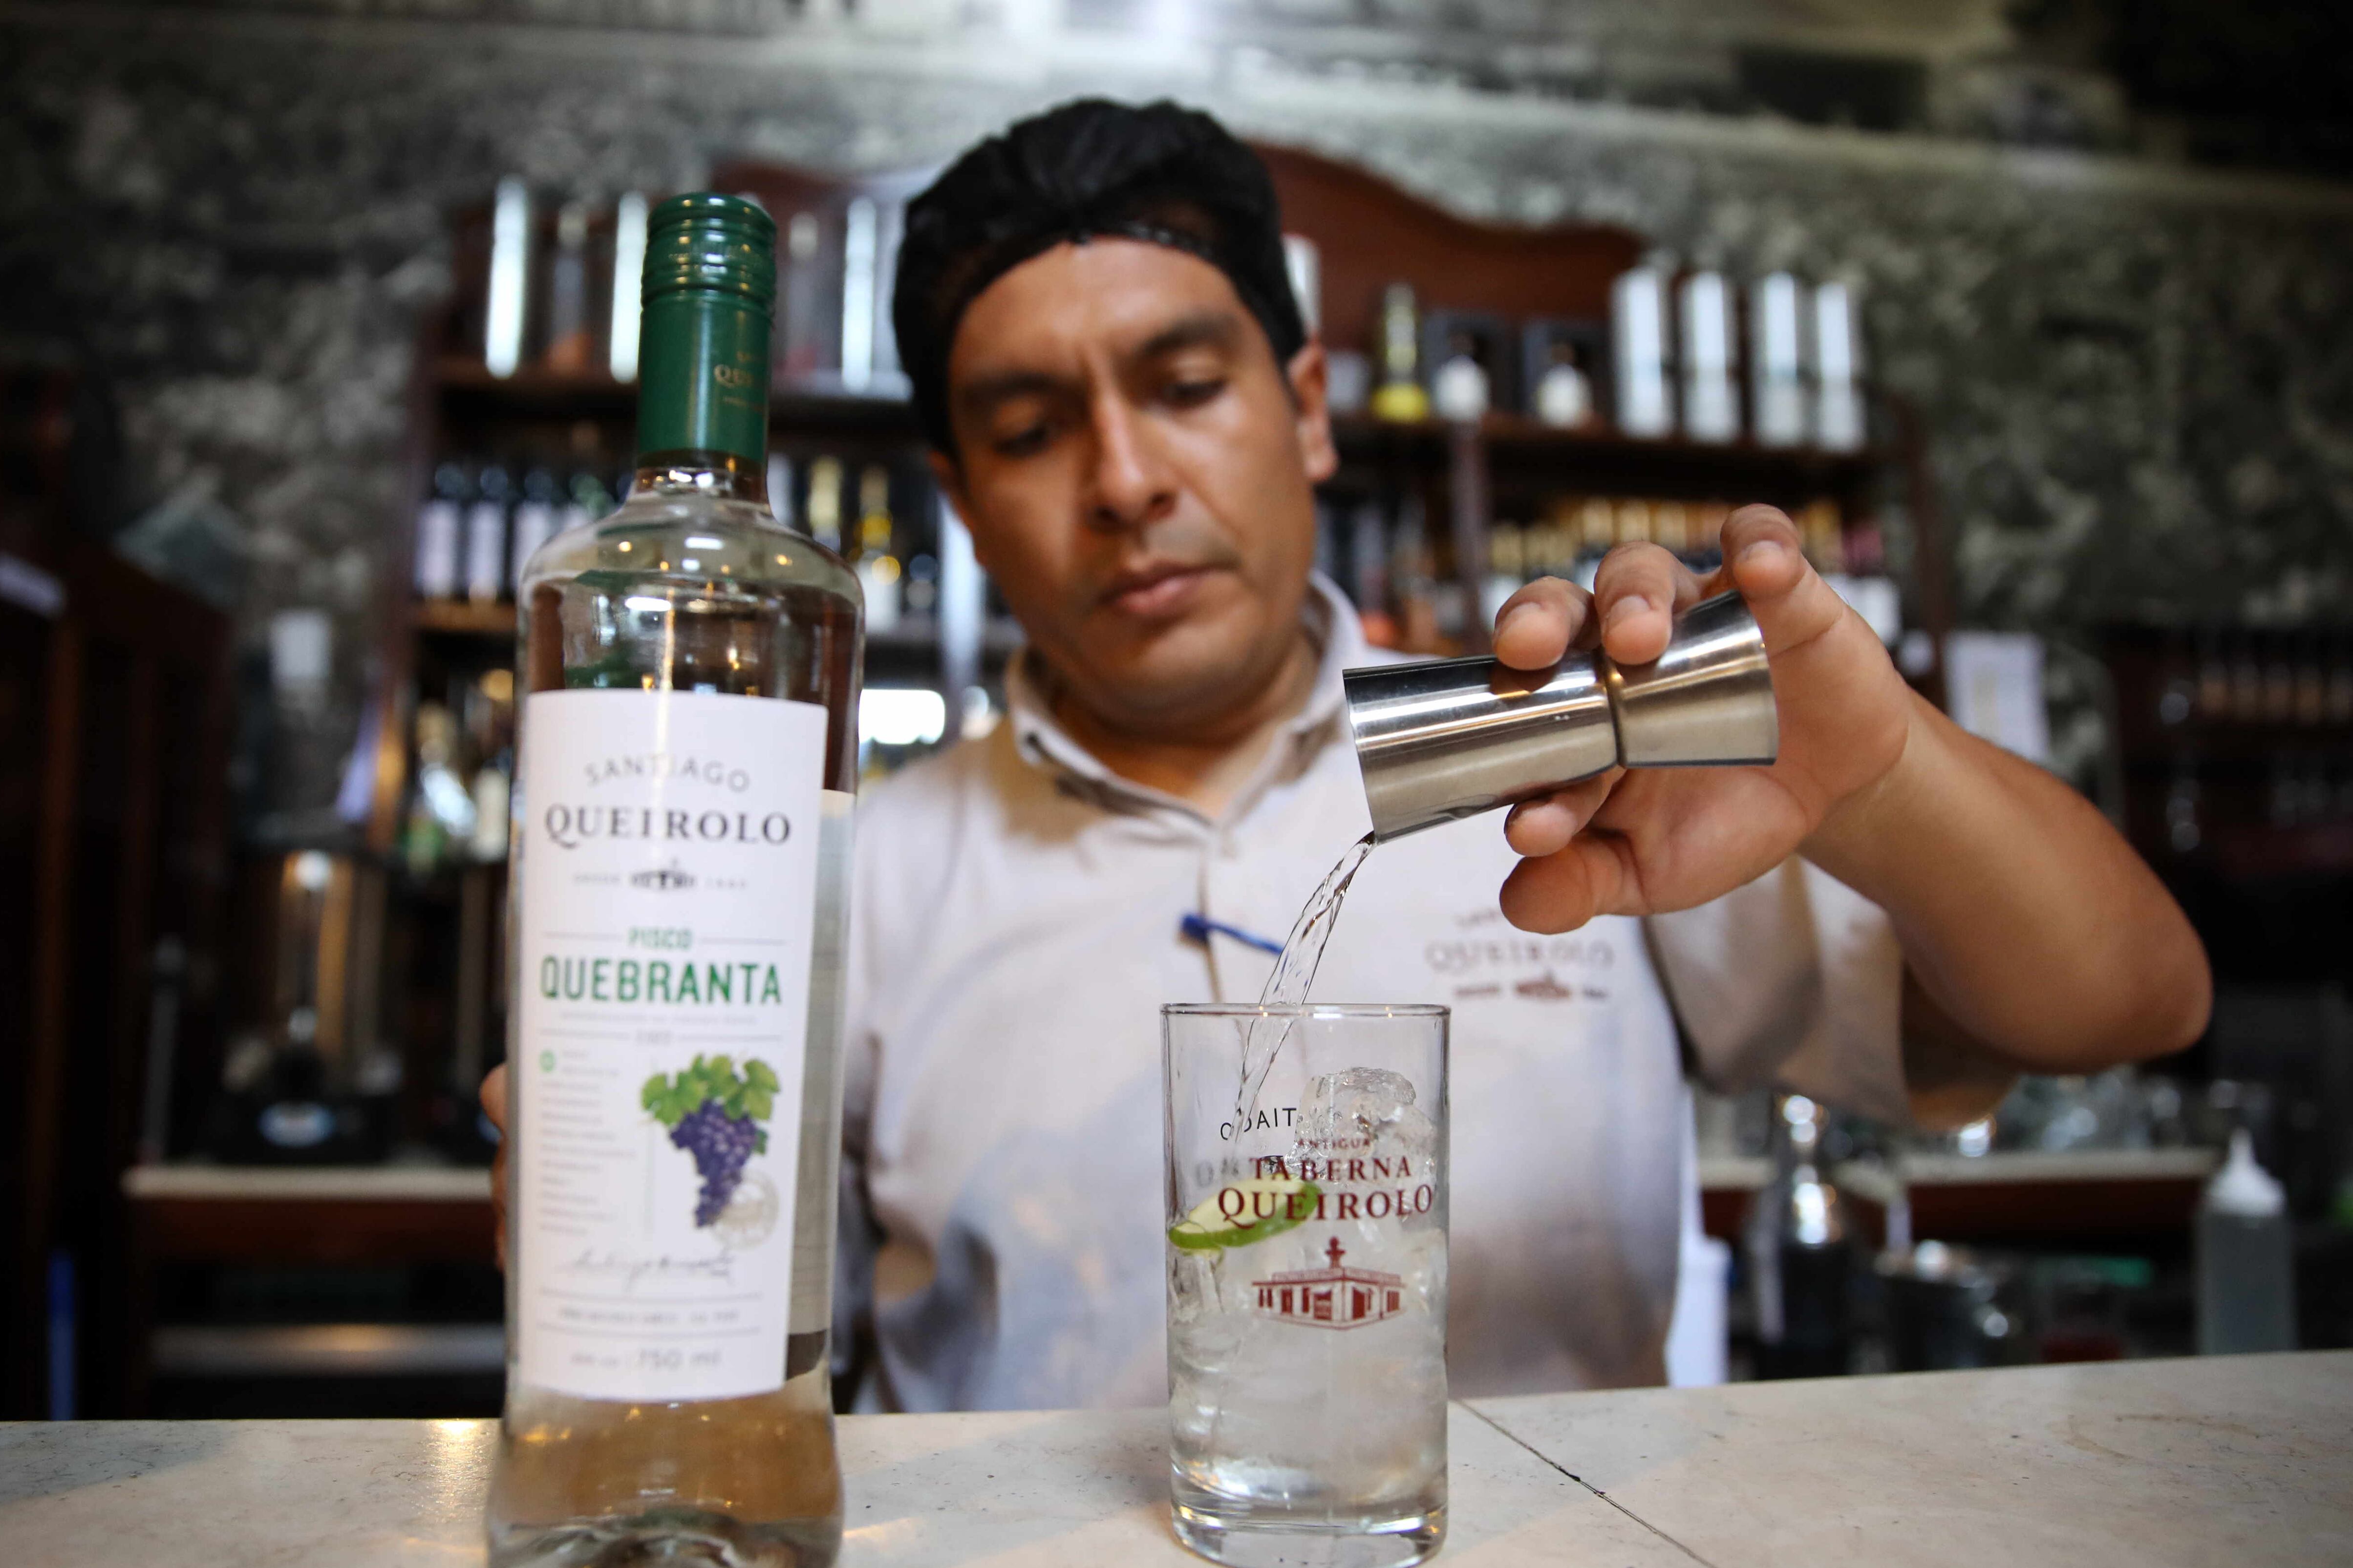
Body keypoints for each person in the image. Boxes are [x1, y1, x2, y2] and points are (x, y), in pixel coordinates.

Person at [486, 100, 2208, 1408]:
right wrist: (610, 1203)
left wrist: (1881, 776)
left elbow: (2127, 1001)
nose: (1126, 480)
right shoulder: (866, 865)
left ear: (1306, 407)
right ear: (962, 499)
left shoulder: (1562, 753)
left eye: (1184, 385)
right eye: (1030, 427)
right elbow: (731, 1322)